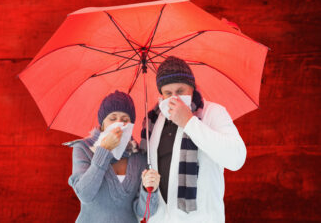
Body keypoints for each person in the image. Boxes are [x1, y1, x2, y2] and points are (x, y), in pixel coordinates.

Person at [140, 56, 247, 223]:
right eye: (168, 93)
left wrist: (189, 122)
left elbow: (236, 158)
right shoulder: (152, 122)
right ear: (161, 94)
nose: (174, 98)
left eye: (180, 91)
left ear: (192, 88)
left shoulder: (213, 113)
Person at [68, 91, 160, 223]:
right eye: (112, 118)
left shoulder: (139, 157)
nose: (119, 123)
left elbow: (143, 212)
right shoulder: (83, 148)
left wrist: (149, 189)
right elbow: (85, 194)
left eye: (125, 119)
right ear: (103, 123)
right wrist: (104, 149)